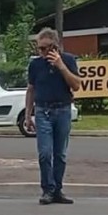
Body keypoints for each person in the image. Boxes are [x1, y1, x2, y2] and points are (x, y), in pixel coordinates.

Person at [25, 27, 81, 205]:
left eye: (44, 48)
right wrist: (28, 115)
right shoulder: (35, 65)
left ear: (54, 47)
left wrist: (61, 66)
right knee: (44, 153)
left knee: (60, 154)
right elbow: (31, 89)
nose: (41, 52)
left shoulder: (68, 60)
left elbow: (76, 85)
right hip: (43, 111)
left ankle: (58, 189)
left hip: (62, 110)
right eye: (39, 48)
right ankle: (47, 189)